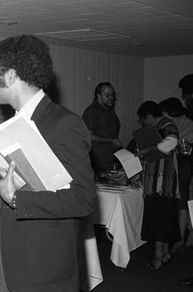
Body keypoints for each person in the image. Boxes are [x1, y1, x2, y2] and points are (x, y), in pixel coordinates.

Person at [0, 35, 95, 291]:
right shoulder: (13, 125)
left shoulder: (63, 124)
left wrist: (17, 199)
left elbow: (83, 199)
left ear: (10, 76)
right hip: (7, 257)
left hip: (41, 268)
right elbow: (15, 181)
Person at [129, 101, 180, 270]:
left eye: (142, 120)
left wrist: (147, 150)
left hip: (162, 181)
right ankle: (164, 254)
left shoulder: (166, 124)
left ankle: (157, 258)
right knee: (163, 219)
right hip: (158, 180)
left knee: (159, 220)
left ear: (150, 117)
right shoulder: (161, 125)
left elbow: (172, 142)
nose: (141, 123)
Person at [159, 97, 193, 252]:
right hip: (183, 165)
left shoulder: (181, 124)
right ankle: (185, 236)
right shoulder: (183, 122)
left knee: (183, 200)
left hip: (185, 165)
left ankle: (181, 237)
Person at [82, 82, 121, 174]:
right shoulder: (92, 111)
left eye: (112, 95)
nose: (111, 98)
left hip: (110, 159)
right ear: (98, 96)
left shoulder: (109, 109)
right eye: (107, 95)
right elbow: (88, 136)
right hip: (98, 162)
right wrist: (111, 141)